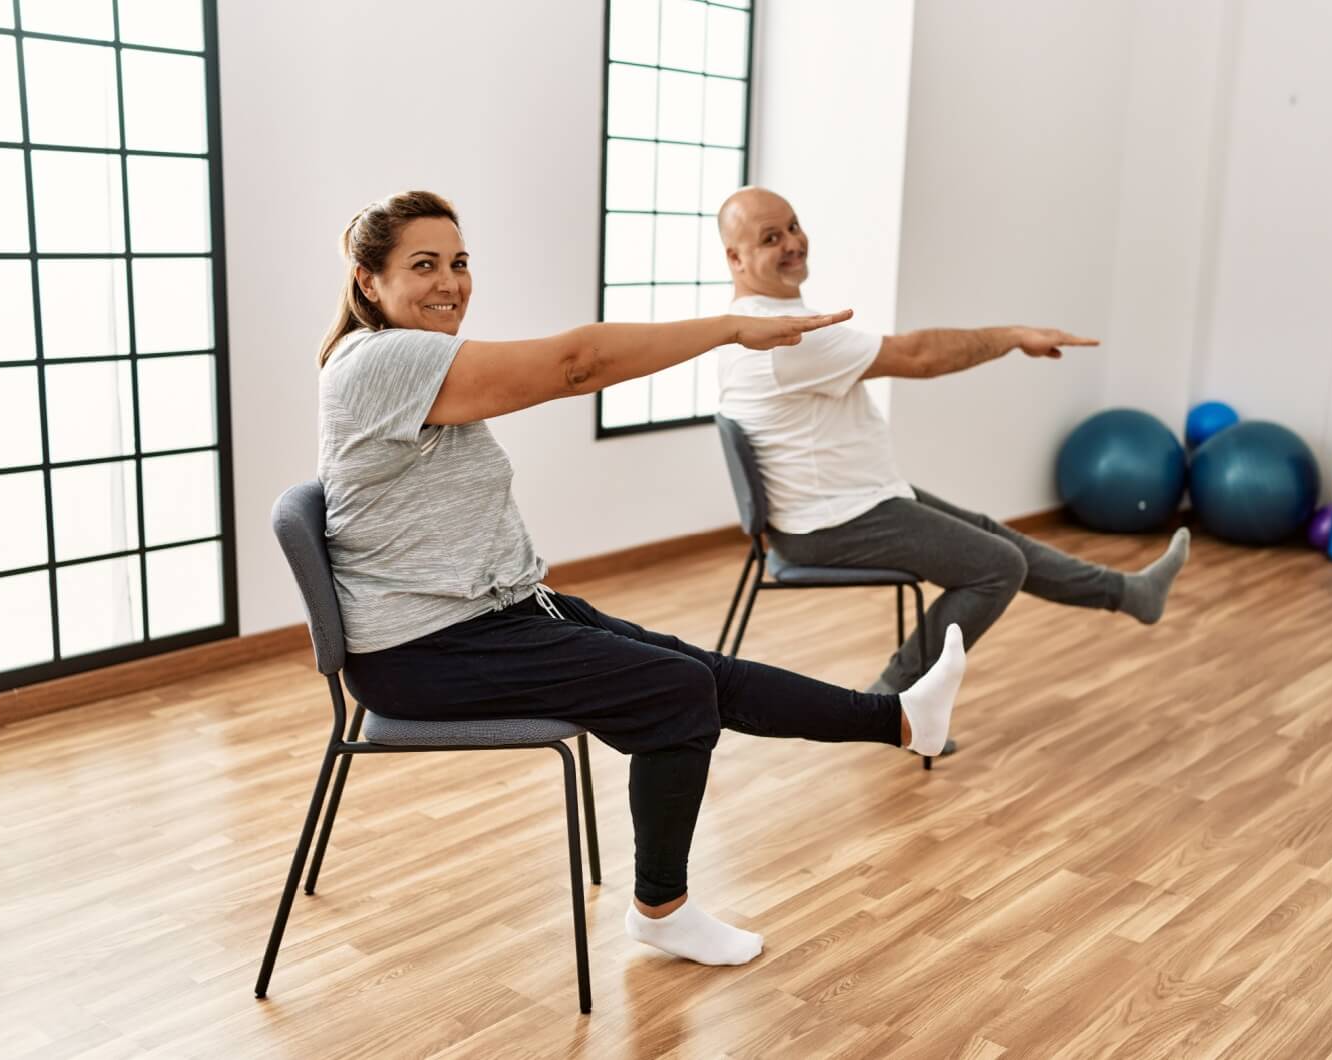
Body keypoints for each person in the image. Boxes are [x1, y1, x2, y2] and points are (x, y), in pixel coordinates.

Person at [316, 190, 967, 968]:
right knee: (677, 693)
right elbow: (576, 364)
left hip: (491, 616)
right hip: (424, 651)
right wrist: (731, 326)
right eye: (422, 266)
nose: (450, 283)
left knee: (698, 671)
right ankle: (662, 910)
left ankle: (899, 720)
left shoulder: (416, 362)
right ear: (368, 283)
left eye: (459, 262)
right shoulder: (381, 362)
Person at [716, 187, 1191, 707]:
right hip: (832, 522)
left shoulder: (759, 325)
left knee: (990, 537)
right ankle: (893, 702)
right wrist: (1012, 335)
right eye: (770, 238)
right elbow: (919, 357)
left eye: (793, 226)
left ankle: (1131, 593)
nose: (793, 242)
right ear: (735, 259)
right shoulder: (785, 338)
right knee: (997, 565)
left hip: (846, 501)